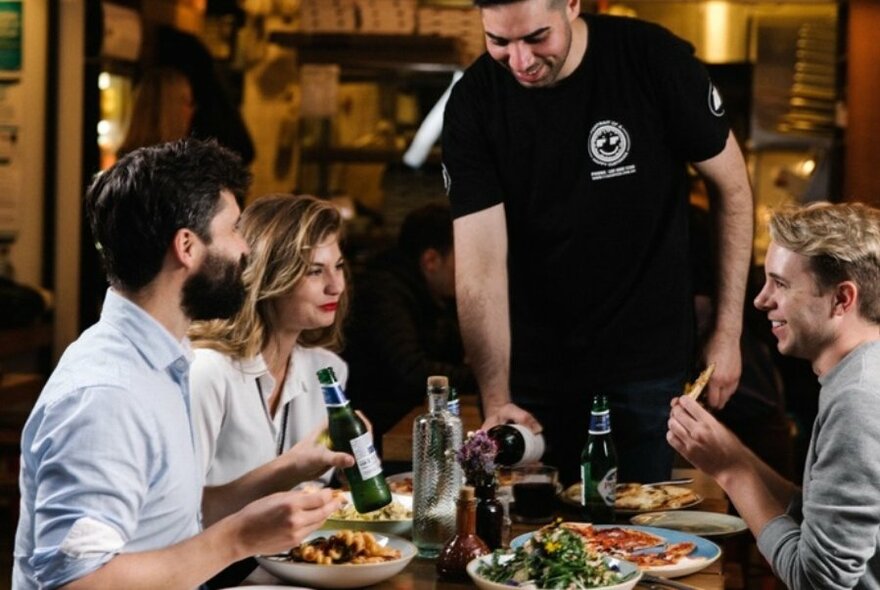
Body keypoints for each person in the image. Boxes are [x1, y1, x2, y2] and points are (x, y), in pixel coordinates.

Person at [13, 139, 352, 589]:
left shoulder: (161, 362)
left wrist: (283, 475)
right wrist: (239, 538)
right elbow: (79, 583)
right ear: (187, 247)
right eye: (233, 230)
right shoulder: (108, 395)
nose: (245, 250)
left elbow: (176, 518)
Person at [441, 0, 754, 484]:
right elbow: (479, 267)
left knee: (636, 541)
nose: (520, 62)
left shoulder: (651, 60)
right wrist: (496, 396)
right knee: (533, 542)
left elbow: (731, 187)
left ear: (571, 4)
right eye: (499, 42)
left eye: (536, 37)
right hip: (534, 372)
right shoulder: (474, 102)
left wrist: (728, 332)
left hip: (646, 364)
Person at [668, 202, 880, 589]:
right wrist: (730, 453)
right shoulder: (858, 376)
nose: (761, 300)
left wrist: (729, 472)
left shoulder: (858, 400)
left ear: (842, 299)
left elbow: (816, 580)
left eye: (780, 283)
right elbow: (815, 522)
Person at [189, 193, 348, 488]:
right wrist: (291, 468)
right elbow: (177, 513)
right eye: (314, 271)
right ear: (269, 276)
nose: (335, 285)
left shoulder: (329, 371)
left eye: (338, 266)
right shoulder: (207, 373)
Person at [344, 203, 476, 451]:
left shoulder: (432, 295)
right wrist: (487, 377)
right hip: (375, 436)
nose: (471, 269)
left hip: (406, 423)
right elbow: (412, 371)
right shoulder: (383, 292)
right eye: (464, 257)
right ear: (431, 260)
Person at [117, 67, 196, 157]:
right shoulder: (178, 162)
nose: (192, 110)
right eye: (188, 102)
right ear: (171, 111)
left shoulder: (127, 161)